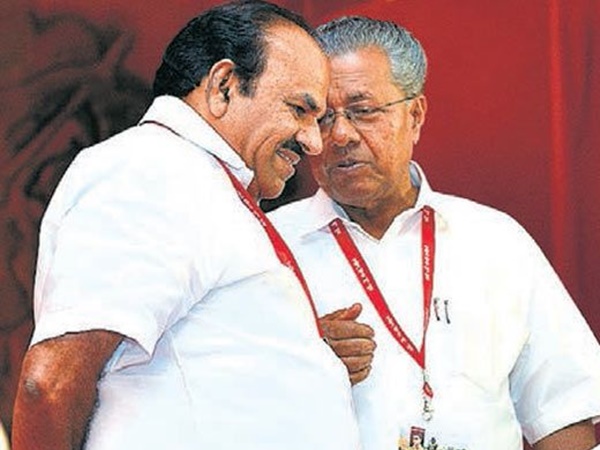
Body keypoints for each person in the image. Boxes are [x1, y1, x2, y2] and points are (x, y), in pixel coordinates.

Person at [11, 2, 362, 449]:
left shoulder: (198, 181)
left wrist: (299, 352)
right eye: (299, 110)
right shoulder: (155, 169)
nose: (314, 142)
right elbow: (49, 384)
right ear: (224, 86)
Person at [269, 15, 600, 450]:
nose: (341, 134)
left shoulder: (496, 243)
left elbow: (563, 414)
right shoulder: (267, 248)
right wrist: (298, 357)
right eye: (323, 117)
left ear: (415, 115)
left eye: (363, 111)